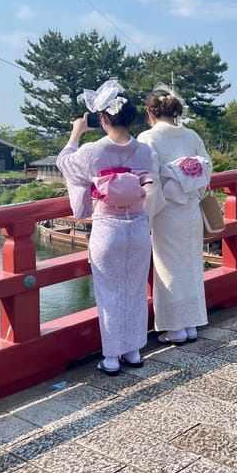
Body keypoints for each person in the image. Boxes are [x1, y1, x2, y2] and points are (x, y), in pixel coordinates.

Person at [56, 78, 154, 375]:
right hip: (138, 226)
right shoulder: (144, 151)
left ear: (102, 119)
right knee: (135, 289)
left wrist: (75, 133)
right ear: (131, 117)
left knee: (109, 293)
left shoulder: (92, 151)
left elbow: (65, 164)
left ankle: (111, 357)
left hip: (108, 227)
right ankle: (133, 351)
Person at [138, 87, 211, 344]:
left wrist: (146, 216)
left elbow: (151, 182)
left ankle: (175, 328)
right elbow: (206, 168)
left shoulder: (148, 138)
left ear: (150, 112)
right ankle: (192, 323)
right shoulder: (191, 135)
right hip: (191, 209)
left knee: (168, 268)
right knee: (191, 266)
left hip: (167, 211)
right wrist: (188, 183)